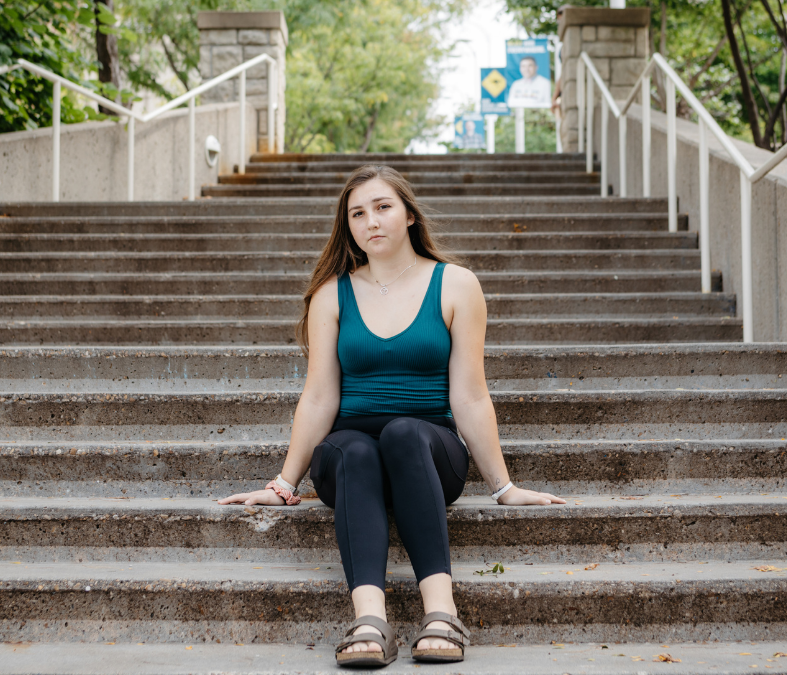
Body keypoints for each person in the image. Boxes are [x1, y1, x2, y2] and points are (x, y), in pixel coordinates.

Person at [220, 165, 564, 668]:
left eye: (382, 207)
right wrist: (282, 482)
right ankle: (369, 619)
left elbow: (469, 395)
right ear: (349, 226)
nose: (370, 221)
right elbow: (318, 396)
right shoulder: (331, 294)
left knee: (404, 433)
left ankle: (442, 613)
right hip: (350, 465)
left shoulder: (456, 285)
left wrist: (502, 485)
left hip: (428, 456)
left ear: (408, 215)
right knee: (354, 447)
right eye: (357, 213)